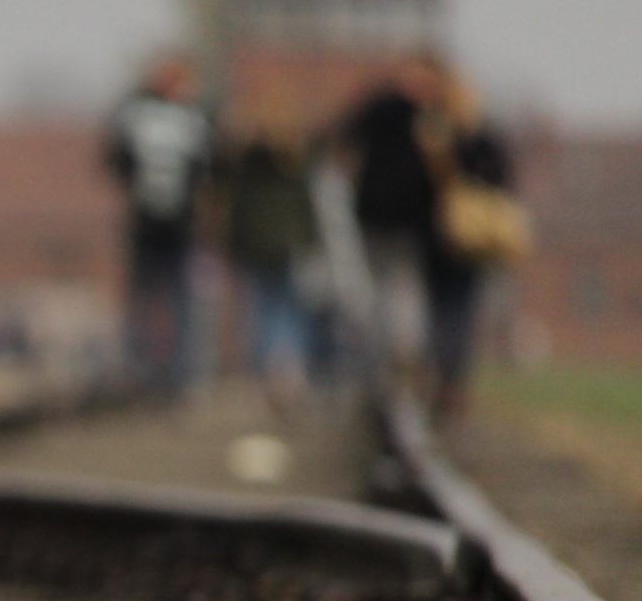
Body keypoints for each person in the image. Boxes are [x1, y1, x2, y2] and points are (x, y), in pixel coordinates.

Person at [103, 56, 213, 392]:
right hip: (171, 224)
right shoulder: (194, 119)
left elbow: (116, 159)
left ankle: (144, 368)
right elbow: (208, 165)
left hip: (152, 222)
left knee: (150, 298)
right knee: (170, 299)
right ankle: (166, 373)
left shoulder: (134, 115)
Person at [338, 52, 447, 383]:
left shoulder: (387, 108)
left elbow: (343, 136)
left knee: (391, 290)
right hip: (397, 221)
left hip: (392, 219)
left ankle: (392, 357)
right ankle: (395, 355)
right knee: (397, 289)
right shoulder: (429, 116)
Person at [420, 74, 520, 425]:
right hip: (456, 242)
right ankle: (451, 379)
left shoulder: (444, 140)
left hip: (457, 240)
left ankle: (450, 379)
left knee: (448, 312)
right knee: (454, 312)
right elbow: (505, 180)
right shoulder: (469, 141)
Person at [218, 95, 322, 412]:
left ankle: (268, 373)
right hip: (291, 244)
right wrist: (312, 239)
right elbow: (308, 205)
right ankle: (290, 372)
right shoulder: (298, 158)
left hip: (257, 244)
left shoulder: (247, 159)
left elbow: (236, 204)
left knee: (264, 308)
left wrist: (232, 243)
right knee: (292, 307)